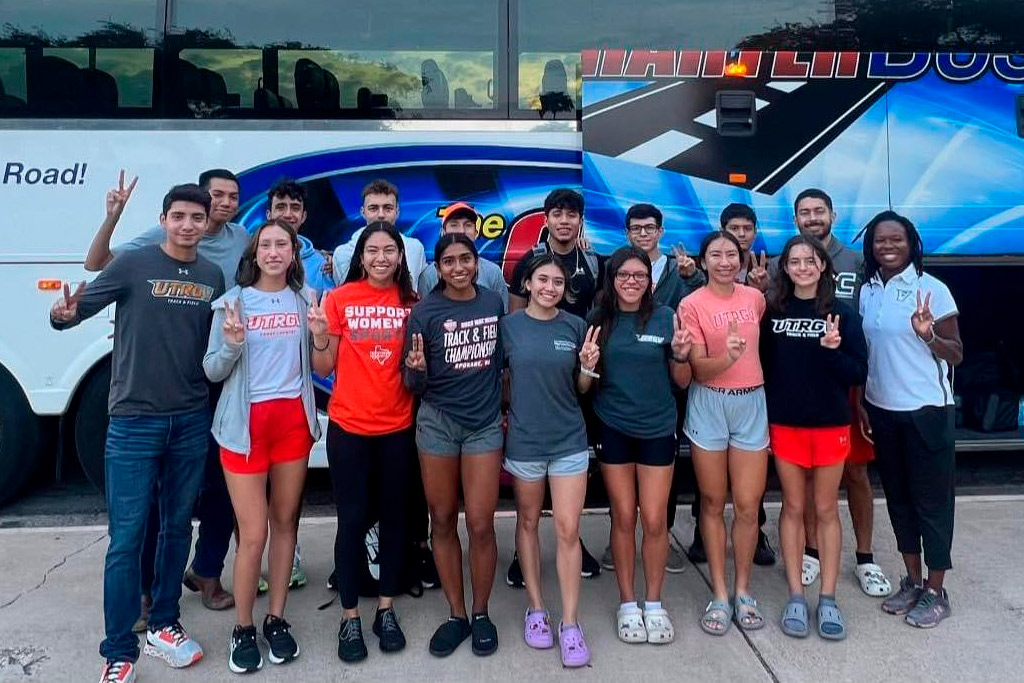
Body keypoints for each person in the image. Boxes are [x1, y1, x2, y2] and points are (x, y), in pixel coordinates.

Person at [51, 184, 225, 683]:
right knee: (126, 539)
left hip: (191, 420)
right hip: (132, 422)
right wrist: (61, 315)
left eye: (197, 217)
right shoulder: (132, 263)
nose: (188, 225)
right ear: (164, 219)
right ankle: (119, 650)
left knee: (177, 529)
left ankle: (165, 625)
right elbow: (77, 311)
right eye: (179, 217)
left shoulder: (212, 275)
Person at [85, 169, 246, 620]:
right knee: (150, 505)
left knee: (219, 487)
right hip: (154, 397)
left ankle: (204, 574)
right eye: (216, 195)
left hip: (214, 381)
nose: (224, 203)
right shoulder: (156, 245)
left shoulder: (239, 241)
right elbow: (98, 265)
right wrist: (112, 218)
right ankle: (143, 591)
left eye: (232, 196)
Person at [203, 219, 322, 672]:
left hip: (292, 423)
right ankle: (243, 628)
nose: (274, 252)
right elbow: (212, 369)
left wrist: (321, 334)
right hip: (244, 428)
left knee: (286, 523)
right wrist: (232, 345)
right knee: (252, 534)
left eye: (283, 245)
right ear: (254, 254)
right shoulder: (233, 303)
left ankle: (276, 619)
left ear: (294, 253)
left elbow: (318, 359)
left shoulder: (304, 299)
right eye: (266, 245)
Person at [313, 222, 419, 662]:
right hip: (350, 428)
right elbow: (324, 365)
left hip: (397, 428)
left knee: (396, 520)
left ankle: (386, 609)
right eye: (372, 250)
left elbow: (419, 370)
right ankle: (350, 615)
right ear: (360, 256)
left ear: (400, 256)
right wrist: (320, 334)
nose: (381, 257)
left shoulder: (413, 304)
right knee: (352, 521)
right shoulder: (338, 299)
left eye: (389, 250)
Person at [858, 211, 962, 629]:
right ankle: (913, 581)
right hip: (882, 409)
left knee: (932, 504)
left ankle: (937, 591)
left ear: (911, 243)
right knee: (899, 500)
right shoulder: (867, 290)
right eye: (880, 240)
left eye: (896, 239)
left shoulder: (932, 289)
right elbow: (869, 352)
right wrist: (865, 402)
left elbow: (956, 352)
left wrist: (928, 336)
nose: (887, 246)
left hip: (926, 411)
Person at [761, 235, 867, 640]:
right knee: (792, 505)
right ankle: (794, 595)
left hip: (829, 424)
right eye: (794, 261)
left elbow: (858, 372)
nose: (802, 267)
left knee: (825, 508)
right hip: (786, 424)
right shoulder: (773, 313)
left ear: (823, 266)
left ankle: (827, 598)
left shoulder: (841, 313)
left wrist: (831, 351)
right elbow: (766, 368)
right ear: (784, 268)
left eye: (810, 260)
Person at [403, 234, 505, 658]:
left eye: (466, 259)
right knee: (442, 519)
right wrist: (418, 371)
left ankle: (481, 612)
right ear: (437, 268)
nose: (459, 267)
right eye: (449, 261)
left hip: (483, 425)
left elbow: (502, 363)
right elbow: (413, 384)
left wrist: (505, 409)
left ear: (476, 263)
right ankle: (457, 614)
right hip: (438, 424)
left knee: (481, 523)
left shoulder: (492, 304)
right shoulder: (424, 313)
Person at [588, 246, 692, 645]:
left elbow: (681, 381)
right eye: (623, 275)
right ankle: (628, 604)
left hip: (657, 428)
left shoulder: (666, 317)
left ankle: (654, 603)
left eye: (639, 275)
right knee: (623, 518)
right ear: (611, 279)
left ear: (650, 280)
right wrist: (586, 365)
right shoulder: (599, 319)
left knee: (653, 519)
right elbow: (587, 380)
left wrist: (681, 356)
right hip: (613, 427)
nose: (631, 282)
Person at [791, 188, 892, 598]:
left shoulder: (859, 262)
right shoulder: (790, 260)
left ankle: (865, 558)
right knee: (814, 475)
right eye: (804, 212)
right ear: (796, 219)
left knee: (856, 473)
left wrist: (865, 392)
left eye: (819, 211)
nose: (812, 218)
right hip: (808, 385)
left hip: (848, 381)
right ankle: (812, 551)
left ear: (833, 214)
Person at [600, 203, 704, 575]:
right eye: (636, 228)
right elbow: (588, 375)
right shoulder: (603, 311)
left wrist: (679, 356)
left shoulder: (679, 274)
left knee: (659, 504)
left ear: (661, 231)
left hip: (662, 400)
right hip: (616, 412)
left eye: (649, 228)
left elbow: (699, 304)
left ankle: (660, 547)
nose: (643, 233)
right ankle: (625, 560)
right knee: (623, 507)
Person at [506, 187, 603, 585]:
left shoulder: (593, 262)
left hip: (577, 369)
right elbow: (515, 327)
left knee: (573, 472)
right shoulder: (526, 261)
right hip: (534, 378)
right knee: (529, 487)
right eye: (557, 214)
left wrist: (588, 365)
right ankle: (521, 554)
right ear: (546, 218)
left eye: (572, 215)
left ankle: (572, 544)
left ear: (580, 220)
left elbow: (598, 312)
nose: (565, 221)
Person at [501, 253, 594, 666]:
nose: (549, 288)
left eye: (557, 282)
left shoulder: (575, 327)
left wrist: (589, 369)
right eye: (542, 280)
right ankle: (536, 608)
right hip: (524, 442)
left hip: (569, 441)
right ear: (529, 283)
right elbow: (497, 379)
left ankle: (570, 623)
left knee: (568, 529)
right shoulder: (508, 327)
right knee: (526, 521)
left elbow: (582, 388)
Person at [680, 230, 769, 636]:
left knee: (748, 506)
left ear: (742, 259)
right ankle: (719, 592)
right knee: (713, 502)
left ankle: (743, 590)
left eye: (731, 254)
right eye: (715, 255)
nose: (724, 262)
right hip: (710, 402)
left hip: (751, 402)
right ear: (702, 263)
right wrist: (727, 357)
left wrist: (740, 359)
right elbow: (697, 370)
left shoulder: (755, 298)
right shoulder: (691, 303)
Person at [332, 179, 427, 289]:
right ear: (363, 212)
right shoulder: (342, 254)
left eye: (388, 208)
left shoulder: (416, 249)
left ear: (397, 212)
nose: (381, 215)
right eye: (373, 208)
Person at [419, 201, 510, 311]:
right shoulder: (429, 275)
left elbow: (502, 315)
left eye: (468, 225)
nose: (461, 231)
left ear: (476, 233)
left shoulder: (493, 272)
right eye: (454, 225)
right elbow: (424, 316)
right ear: (443, 232)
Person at [265, 178, 335, 297]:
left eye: (295, 208)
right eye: (281, 207)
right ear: (269, 215)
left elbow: (329, 307)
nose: (287, 214)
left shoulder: (322, 264)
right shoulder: (252, 258)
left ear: (303, 216)